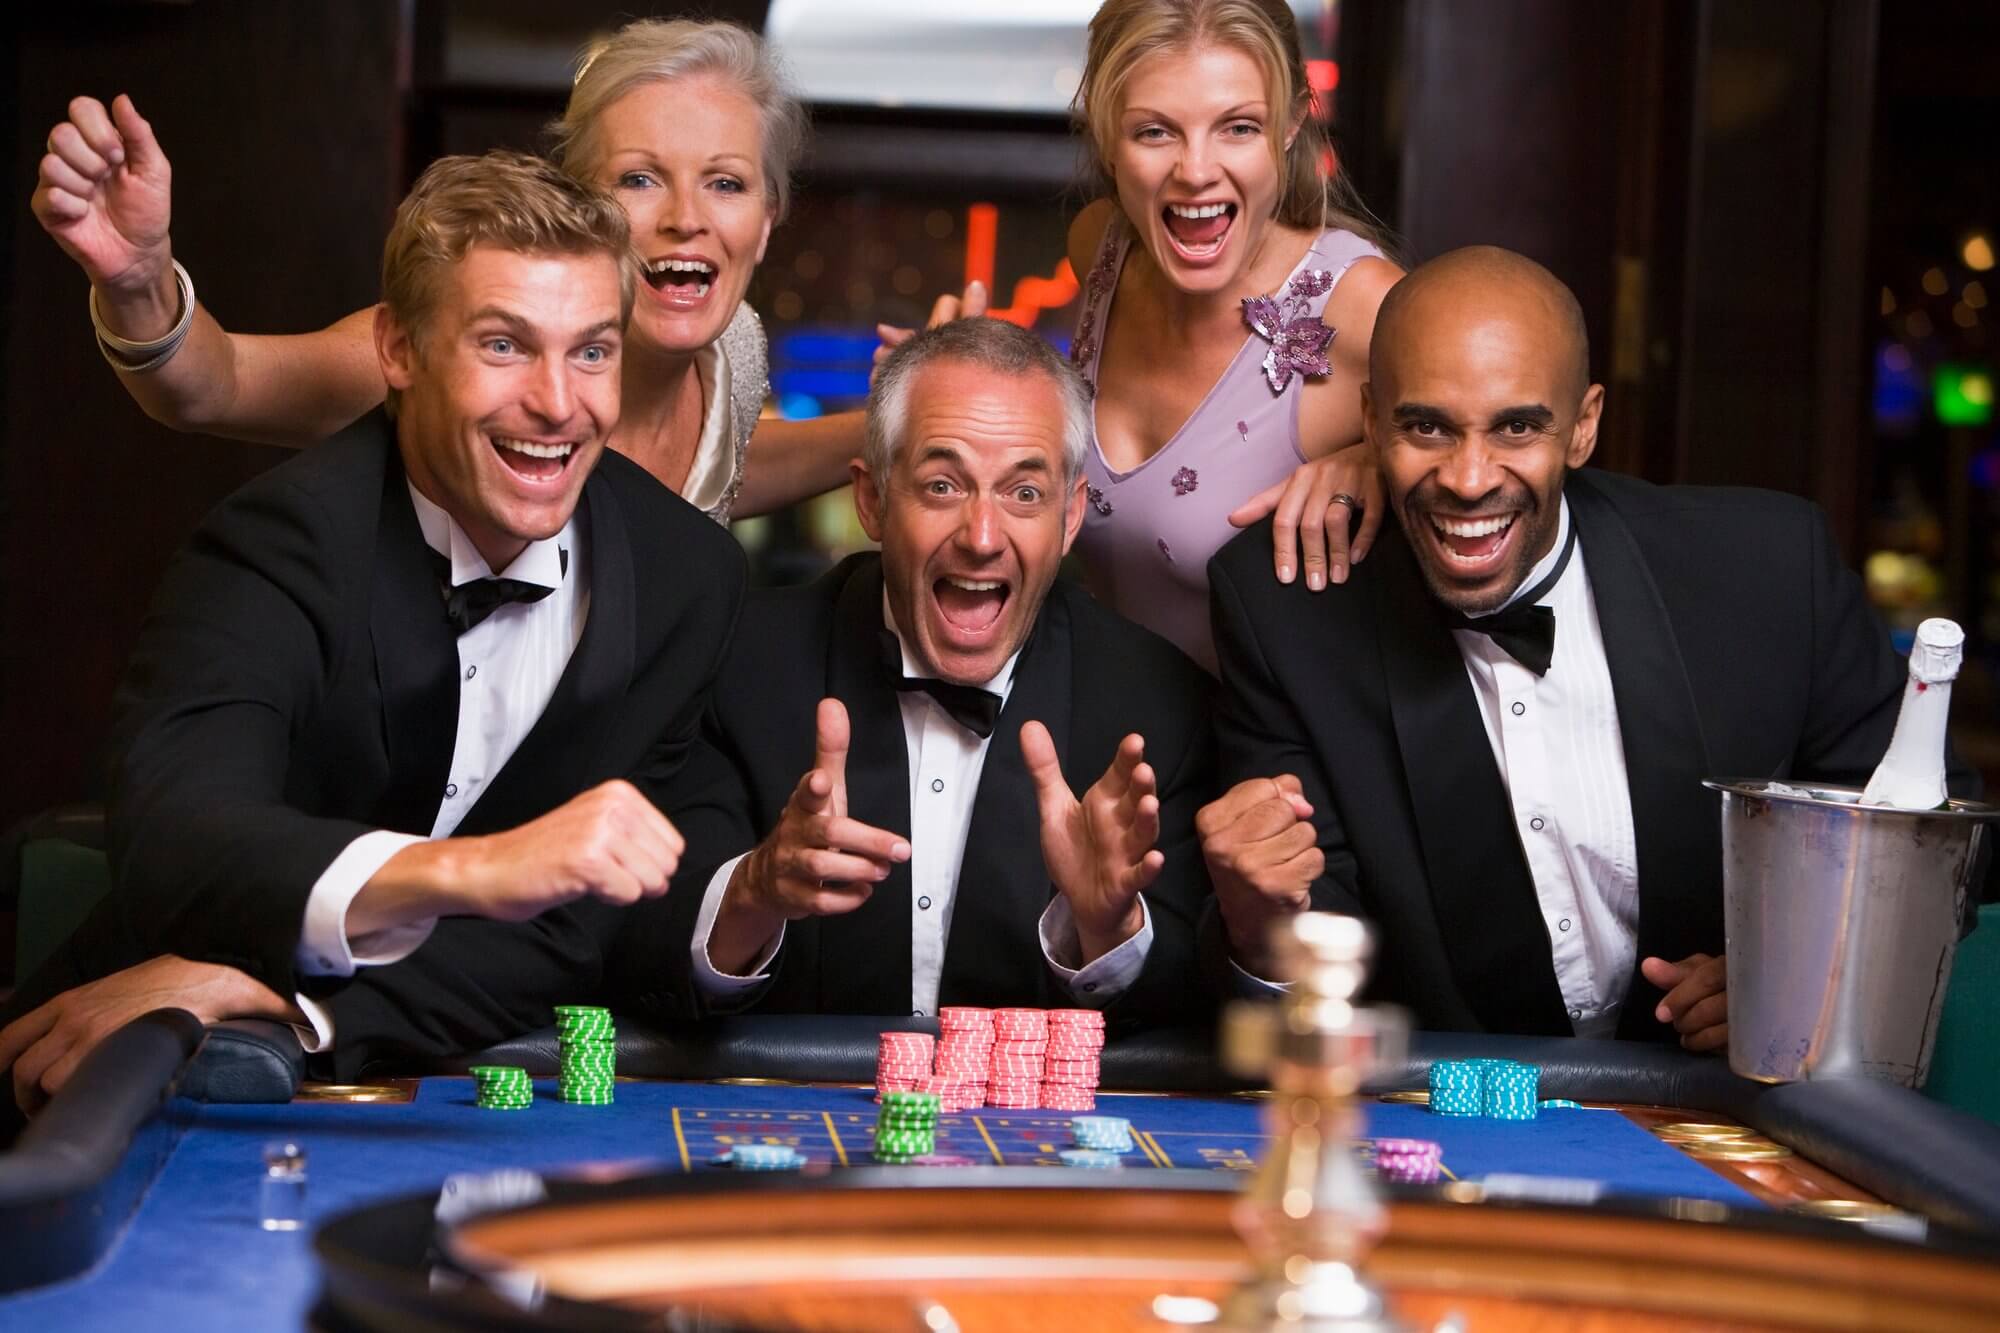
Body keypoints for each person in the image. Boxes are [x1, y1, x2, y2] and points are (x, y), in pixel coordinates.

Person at [0, 151, 747, 1111]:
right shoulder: (283, 540)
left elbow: (574, 930)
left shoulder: (689, 575)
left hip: (402, 1085)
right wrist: (480, 870)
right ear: (398, 350)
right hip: (118, 1076)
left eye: (592, 350)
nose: (560, 404)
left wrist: (290, 1005)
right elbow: (178, 838)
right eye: (505, 345)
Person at [1198, 245, 1980, 1047]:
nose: (1469, 477)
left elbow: (1935, 836)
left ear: (1583, 425)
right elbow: (1309, 943)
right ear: (1370, 422)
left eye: (1518, 426)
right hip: (1447, 1127)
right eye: (1426, 426)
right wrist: (1260, 923)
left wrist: (1798, 967)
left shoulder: (1770, 571)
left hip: (1728, 1111)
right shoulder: (1288, 612)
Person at [29, 18, 857, 522]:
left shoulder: (736, 353)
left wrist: (903, 418)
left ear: (768, 217)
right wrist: (138, 278)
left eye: (726, 183)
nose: (687, 216)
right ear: (577, 207)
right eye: (639, 178)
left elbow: (723, 475)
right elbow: (213, 384)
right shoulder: (450, 352)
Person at [634, 319, 1217, 1028]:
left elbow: (1198, 1017)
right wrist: (754, 892)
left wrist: (1104, 931)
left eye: (1024, 494)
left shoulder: (1158, 705)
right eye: (943, 485)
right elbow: (635, 954)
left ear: (1070, 518)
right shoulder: (738, 664)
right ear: (873, 500)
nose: (980, 536)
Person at [880, 0, 1404, 675]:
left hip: (1268, 767)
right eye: (1155, 132)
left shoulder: (1363, 304)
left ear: (1293, 122)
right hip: (1109, 738)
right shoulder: (1100, 248)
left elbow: (1524, 453)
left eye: (1238, 128)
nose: (1195, 171)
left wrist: (1391, 457)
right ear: (1104, 133)